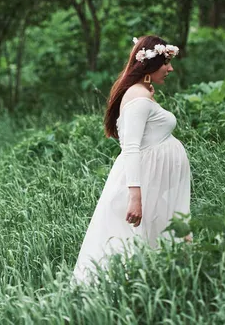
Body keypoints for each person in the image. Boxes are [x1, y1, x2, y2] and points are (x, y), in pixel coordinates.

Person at [71, 35, 192, 285]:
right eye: (165, 62)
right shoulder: (138, 97)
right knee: (127, 241)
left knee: (149, 239)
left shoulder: (142, 93)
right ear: (149, 64)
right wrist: (136, 198)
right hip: (142, 183)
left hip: (151, 181)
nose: (170, 68)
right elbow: (131, 148)